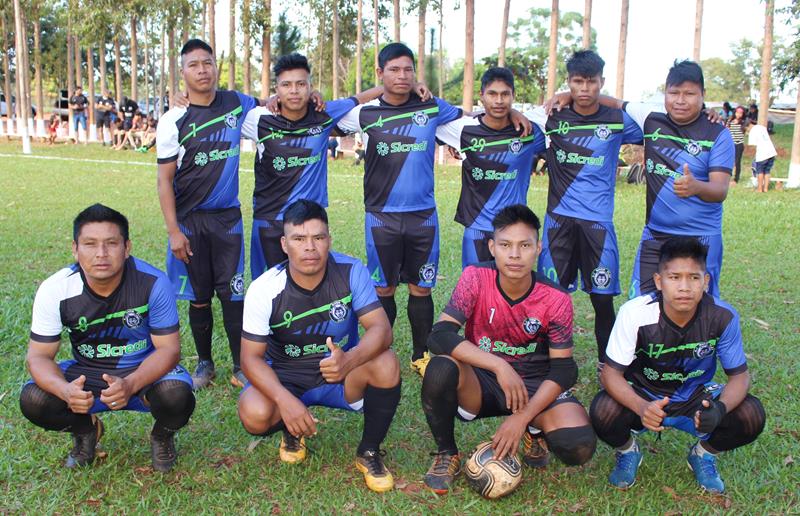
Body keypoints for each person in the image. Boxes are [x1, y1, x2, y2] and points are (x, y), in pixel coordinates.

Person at [420, 204, 596, 494]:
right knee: (439, 368)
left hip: (533, 385)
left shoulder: (556, 298)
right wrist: (498, 366)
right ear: (492, 247)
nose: (515, 255)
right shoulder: (475, 277)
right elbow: (439, 335)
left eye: (524, 245)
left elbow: (565, 369)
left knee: (577, 446)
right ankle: (446, 453)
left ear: (538, 248)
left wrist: (522, 418)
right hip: (484, 381)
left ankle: (533, 430)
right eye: (505, 245)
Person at [237, 200, 400, 493]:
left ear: (329, 240)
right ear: (285, 244)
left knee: (386, 362)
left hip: (338, 374)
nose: (310, 247)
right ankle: (291, 430)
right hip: (285, 376)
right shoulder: (264, 288)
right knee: (253, 412)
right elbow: (250, 359)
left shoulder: (351, 271)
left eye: (318, 237)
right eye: (299, 239)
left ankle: (369, 452)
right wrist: (285, 401)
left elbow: (381, 330)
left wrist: (350, 359)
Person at [19, 204, 196, 472]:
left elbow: (169, 350)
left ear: (127, 248)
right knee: (34, 398)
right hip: (86, 373)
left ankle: (162, 436)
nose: (101, 254)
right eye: (90, 244)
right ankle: (86, 430)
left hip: (142, 371)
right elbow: (39, 356)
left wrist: (130, 383)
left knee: (177, 395)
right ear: (75, 249)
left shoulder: (153, 282)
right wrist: (65, 391)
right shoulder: (55, 288)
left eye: (111, 243)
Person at [590, 237, 765, 493]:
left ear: (706, 282)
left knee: (751, 414)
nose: (684, 287)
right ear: (659, 281)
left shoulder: (722, 316)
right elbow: (610, 374)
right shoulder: (635, 313)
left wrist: (718, 409)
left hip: (696, 397)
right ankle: (628, 451)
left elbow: (740, 377)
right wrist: (642, 406)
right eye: (674, 277)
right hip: (645, 393)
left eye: (694, 278)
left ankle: (703, 454)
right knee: (602, 410)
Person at [334, 43, 466, 376]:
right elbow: (329, 114)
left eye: (408, 70)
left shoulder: (431, 107)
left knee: (422, 288)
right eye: (393, 70)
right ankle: (381, 349)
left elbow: (471, 119)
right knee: (383, 289)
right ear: (379, 73)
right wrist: (374, 92)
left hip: (423, 216)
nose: (402, 76)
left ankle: (420, 354)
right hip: (382, 216)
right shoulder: (366, 113)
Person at [240, 53, 421, 279]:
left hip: (311, 222)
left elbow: (359, 98)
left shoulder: (324, 114)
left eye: (300, 84)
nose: (294, 91)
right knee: (269, 287)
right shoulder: (258, 118)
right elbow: (220, 111)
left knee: (312, 284)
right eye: (286, 85)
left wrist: (409, 87)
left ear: (310, 87)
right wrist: (182, 97)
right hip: (269, 220)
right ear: (277, 88)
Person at [531, 50, 644, 374]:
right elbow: (516, 117)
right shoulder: (553, 118)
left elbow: (653, 118)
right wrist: (559, 98)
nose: (584, 89)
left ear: (601, 83)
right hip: (559, 224)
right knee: (550, 296)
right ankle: (545, 360)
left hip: (598, 225)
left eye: (590, 82)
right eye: (577, 82)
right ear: (569, 82)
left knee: (602, 298)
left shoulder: (617, 120)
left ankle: (606, 365)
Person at [156, 38, 259, 390]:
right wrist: (173, 231)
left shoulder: (234, 103)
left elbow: (270, 105)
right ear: (182, 72)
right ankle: (204, 364)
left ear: (216, 66)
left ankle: (240, 365)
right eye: (194, 64)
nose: (202, 70)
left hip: (227, 219)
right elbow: (164, 180)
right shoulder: (173, 119)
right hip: (191, 222)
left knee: (233, 293)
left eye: (208, 62)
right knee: (199, 296)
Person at [586, 60, 733, 299]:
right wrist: (565, 94)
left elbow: (720, 189)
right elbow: (611, 101)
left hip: (702, 235)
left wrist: (696, 187)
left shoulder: (717, 133)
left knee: (698, 306)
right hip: (656, 234)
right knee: (640, 304)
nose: (680, 100)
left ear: (703, 95)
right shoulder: (651, 120)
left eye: (689, 94)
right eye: (674, 93)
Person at [435, 67, 546, 269]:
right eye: (492, 94)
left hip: (513, 229)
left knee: (510, 291)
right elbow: (423, 111)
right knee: (475, 289)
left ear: (513, 96)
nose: (499, 101)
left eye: (505, 94)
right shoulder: (463, 129)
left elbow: (569, 108)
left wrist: (515, 112)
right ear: (482, 96)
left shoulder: (529, 131)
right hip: (476, 228)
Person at [747, 122, 777, 192]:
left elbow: (752, 145)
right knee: (767, 171)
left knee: (760, 171)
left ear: (748, 126)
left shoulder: (752, 131)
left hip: (762, 153)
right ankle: (766, 189)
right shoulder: (762, 128)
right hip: (771, 152)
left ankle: (759, 189)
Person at [726, 106, 748, 184]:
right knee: (729, 161)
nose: (738, 114)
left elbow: (745, 131)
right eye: (737, 112)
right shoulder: (730, 121)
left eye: (740, 113)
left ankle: (736, 178)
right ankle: (727, 177)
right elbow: (727, 130)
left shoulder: (743, 122)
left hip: (738, 144)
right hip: (730, 144)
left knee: (737, 161)